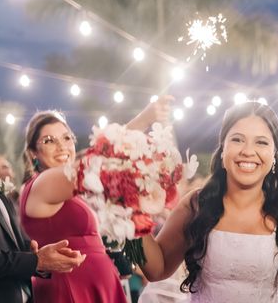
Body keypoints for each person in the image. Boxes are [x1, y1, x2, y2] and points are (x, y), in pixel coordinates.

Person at [139, 101, 278, 303]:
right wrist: (132, 215)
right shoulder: (197, 205)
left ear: (274, 155)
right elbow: (158, 269)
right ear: (223, 150)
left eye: (261, 142)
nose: (248, 151)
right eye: (237, 140)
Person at [19, 96, 171, 302]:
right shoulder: (41, 185)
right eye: (49, 141)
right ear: (33, 153)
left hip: (101, 286)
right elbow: (96, 162)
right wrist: (144, 119)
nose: (62, 146)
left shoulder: (76, 193)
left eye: (66, 138)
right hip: (70, 291)